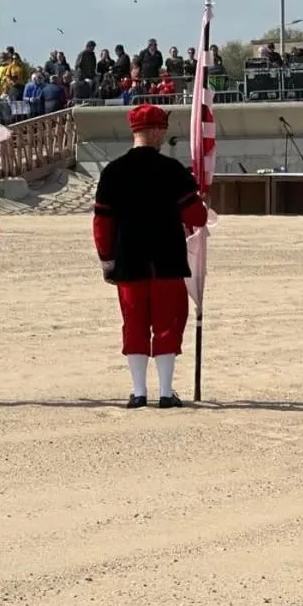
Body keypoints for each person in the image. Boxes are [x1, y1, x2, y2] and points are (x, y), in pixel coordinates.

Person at [92, 103, 209, 408]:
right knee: (168, 322)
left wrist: (107, 260)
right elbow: (196, 217)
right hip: (166, 261)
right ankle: (166, 392)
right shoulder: (173, 170)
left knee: (134, 323)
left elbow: (102, 223)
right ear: (156, 131)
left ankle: (139, 391)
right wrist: (201, 201)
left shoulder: (113, 172)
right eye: (163, 129)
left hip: (128, 261)